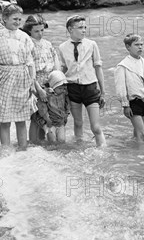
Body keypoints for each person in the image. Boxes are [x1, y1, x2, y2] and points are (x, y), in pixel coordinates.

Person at [0, 3, 36, 150]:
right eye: (14, 19)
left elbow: (29, 61)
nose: (17, 22)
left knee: (21, 118)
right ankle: (5, 149)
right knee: (5, 118)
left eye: (20, 19)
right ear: (4, 19)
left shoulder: (25, 37)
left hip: (22, 77)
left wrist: (31, 81)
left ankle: (23, 147)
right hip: (3, 77)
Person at [58, 15, 107, 147]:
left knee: (95, 127)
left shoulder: (92, 45)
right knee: (78, 123)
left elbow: (98, 68)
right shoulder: (62, 47)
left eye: (85, 27)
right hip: (72, 88)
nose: (84, 30)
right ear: (70, 29)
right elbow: (62, 68)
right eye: (80, 27)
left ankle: (103, 150)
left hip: (90, 88)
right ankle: (79, 149)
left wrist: (103, 92)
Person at [21, 14, 62, 143]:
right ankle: (34, 145)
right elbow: (28, 70)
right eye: (36, 31)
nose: (40, 33)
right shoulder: (27, 45)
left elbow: (56, 64)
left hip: (49, 84)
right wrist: (38, 89)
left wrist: (56, 83)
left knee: (48, 116)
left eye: (42, 30)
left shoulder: (48, 44)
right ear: (29, 31)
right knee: (36, 117)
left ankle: (42, 143)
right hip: (34, 85)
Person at [114, 34, 144, 142]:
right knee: (142, 134)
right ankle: (141, 155)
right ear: (128, 47)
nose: (140, 47)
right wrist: (125, 105)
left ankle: (134, 152)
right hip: (133, 102)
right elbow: (120, 88)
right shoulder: (122, 66)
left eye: (141, 44)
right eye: (136, 45)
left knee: (137, 132)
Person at [30, 70, 70, 144]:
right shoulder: (46, 95)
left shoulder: (64, 94)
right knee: (52, 140)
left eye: (64, 88)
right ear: (53, 86)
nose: (62, 90)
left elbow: (67, 106)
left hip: (60, 121)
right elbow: (42, 109)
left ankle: (58, 153)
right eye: (60, 88)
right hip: (49, 122)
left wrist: (66, 115)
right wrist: (47, 119)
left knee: (62, 140)